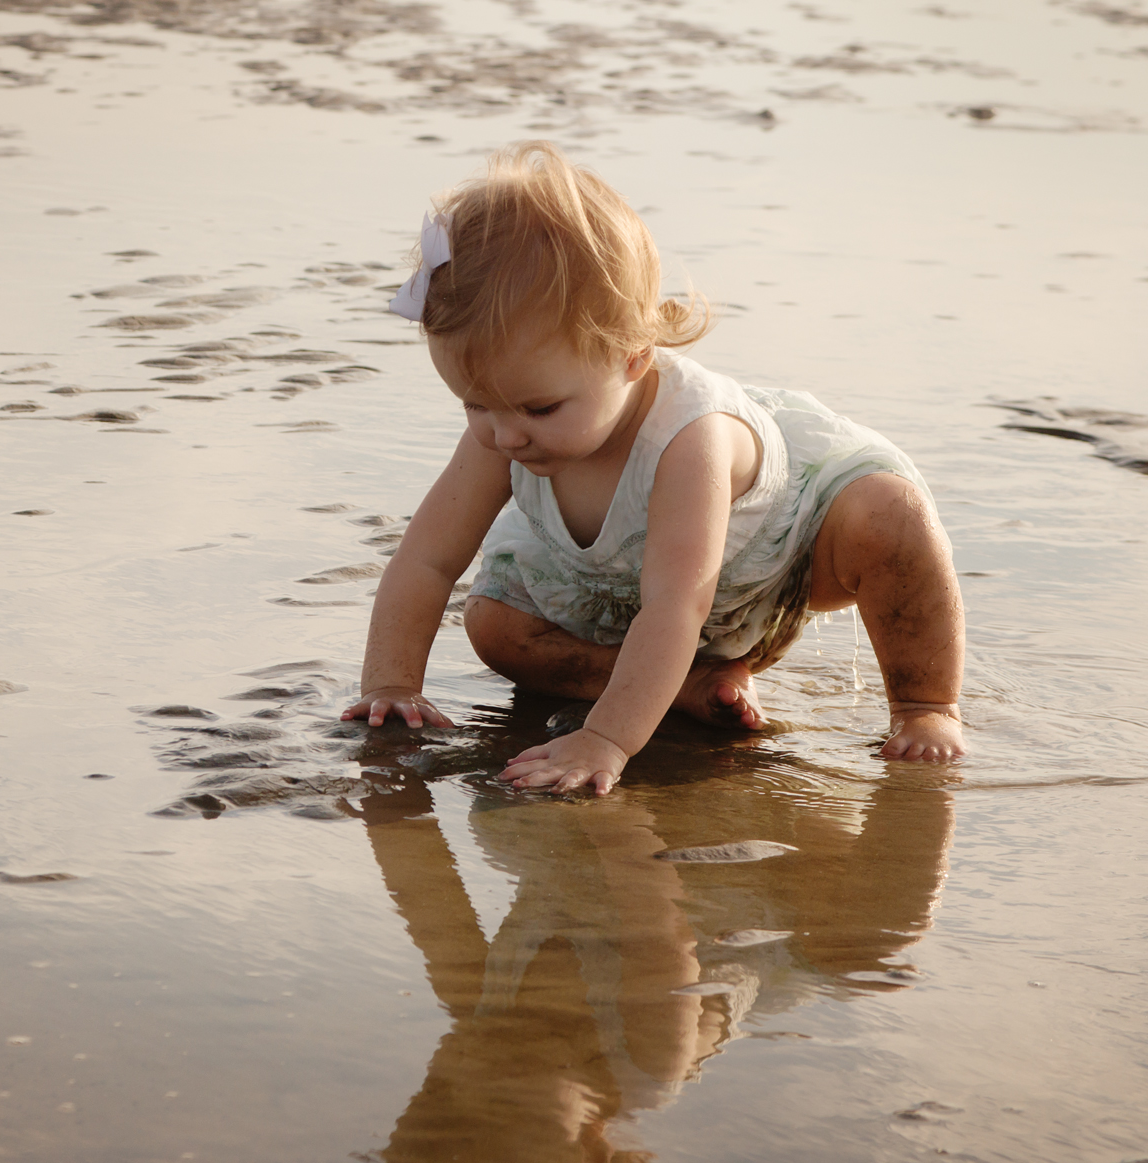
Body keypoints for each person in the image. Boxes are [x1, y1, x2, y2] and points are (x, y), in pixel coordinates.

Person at [341, 141, 966, 793]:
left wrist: (605, 738)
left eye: (539, 407)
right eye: (475, 403)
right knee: (495, 623)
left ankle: (927, 704)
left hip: (774, 561)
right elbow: (426, 560)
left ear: (635, 357)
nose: (504, 435)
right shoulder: (507, 424)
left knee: (890, 517)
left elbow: (677, 603)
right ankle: (685, 686)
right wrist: (391, 684)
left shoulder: (689, 436)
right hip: (618, 597)